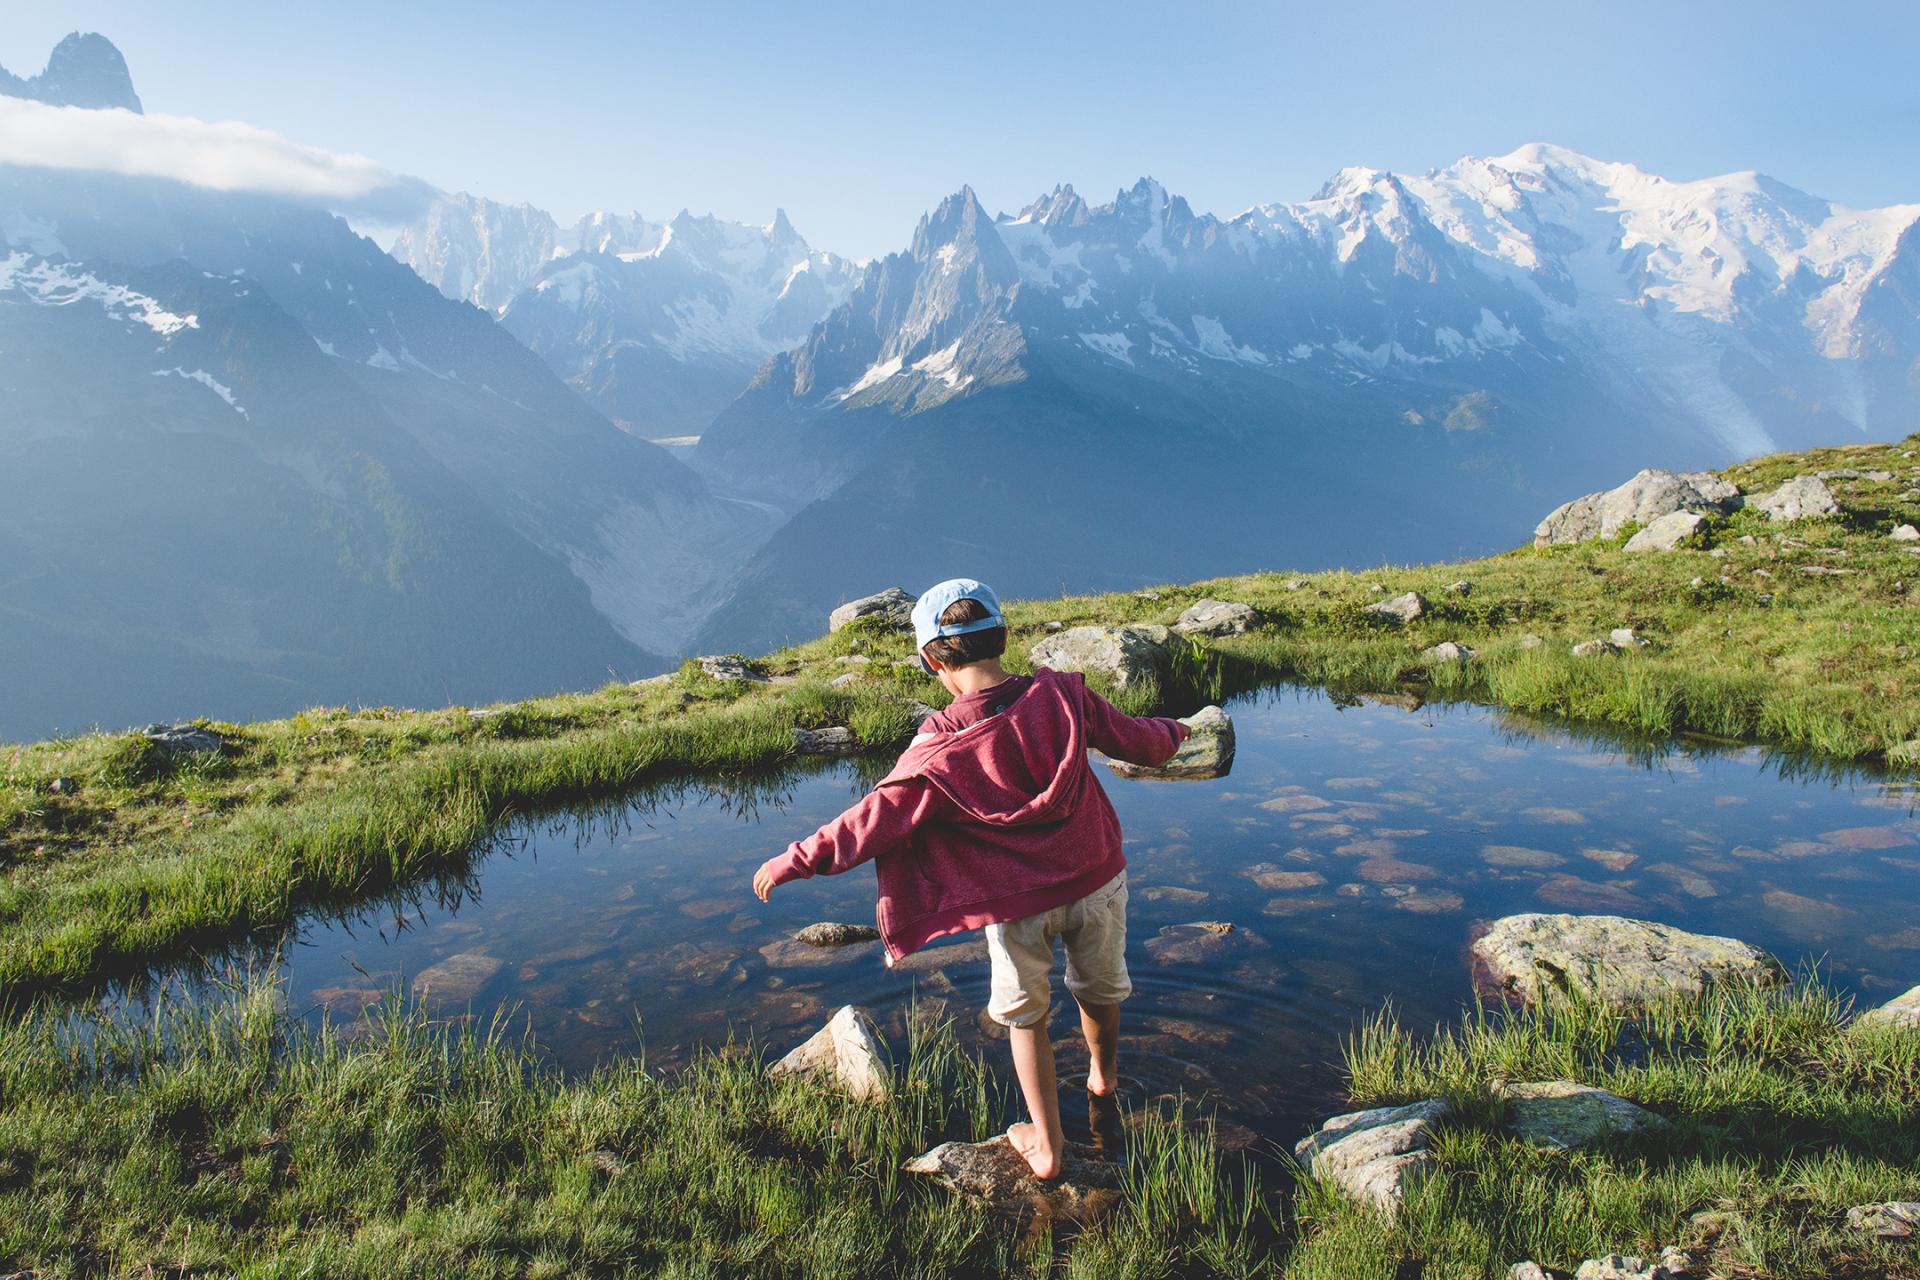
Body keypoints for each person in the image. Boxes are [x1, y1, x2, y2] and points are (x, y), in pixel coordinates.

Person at [752, 577, 1189, 1178]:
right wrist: (1180, 730)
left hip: (1017, 906)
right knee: (1101, 986)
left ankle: (1048, 1146)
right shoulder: (1064, 696)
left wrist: (796, 859)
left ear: (933, 661)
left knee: (1025, 1014)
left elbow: (874, 819)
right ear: (1003, 638)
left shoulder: (938, 743)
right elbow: (1143, 743)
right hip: (1097, 878)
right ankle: (1102, 1078)